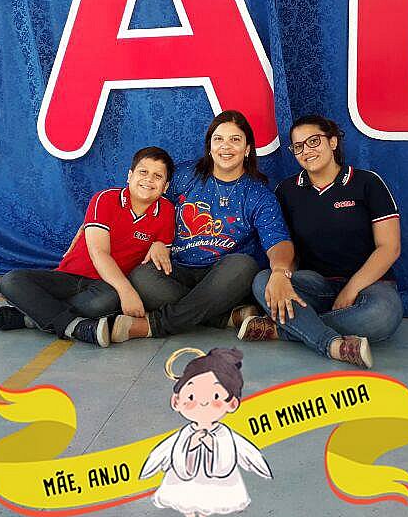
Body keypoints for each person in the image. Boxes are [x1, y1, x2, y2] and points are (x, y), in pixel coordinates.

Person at [113, 110, 293, 343]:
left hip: (224, 277)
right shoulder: (185, 175)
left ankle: (153, 325)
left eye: (235, 139)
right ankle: (221, 317)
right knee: (141, 275)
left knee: (243, 265)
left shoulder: (258, 193)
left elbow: (278, 241)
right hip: (176, 270)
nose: (225, 146)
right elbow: (149, 201)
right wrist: (158, 241)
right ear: (210, 146)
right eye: (218, 139)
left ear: (247, 148)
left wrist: (279, 270)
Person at [239, 115, 403, 369]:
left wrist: (351, 289)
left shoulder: (368, 182)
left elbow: (390, 247)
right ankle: (331, 344)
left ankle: (285, 329)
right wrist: (282, 276)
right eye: (298, 146)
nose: (307, 151)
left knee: (382, 316)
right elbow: (286, 246)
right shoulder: (287, 190)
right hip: (316, 285)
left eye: (314, 141)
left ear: (333, 142)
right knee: (264, 281)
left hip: (370, 286)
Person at [0, 146, 176, 347]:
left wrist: (160, 245)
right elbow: (99, 252)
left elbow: (162, 256)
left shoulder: (167, 211)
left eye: (157, 176)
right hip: (68, 277)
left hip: (104, 286)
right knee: (12, 281)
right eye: (143, 172)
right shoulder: (105, 199)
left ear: (165, 186)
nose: (149, 179)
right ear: (130, 176)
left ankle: (30, 317)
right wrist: (127, 291)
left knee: (107, 301)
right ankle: (76, 327)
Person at [140, 347, 271, 517]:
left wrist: (212, 444)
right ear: (176, 401)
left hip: (218, 481)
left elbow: (240, 452)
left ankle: (206, 509)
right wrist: (191, 444)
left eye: (215, 396)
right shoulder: (186, 434)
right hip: (185, 478)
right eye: (191, 397)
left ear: (232, 403)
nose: (202, 402)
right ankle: (187, 507)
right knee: (183, 493)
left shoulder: (223, 434)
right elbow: (165, 452)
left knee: (213, 495)